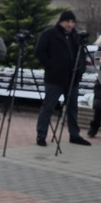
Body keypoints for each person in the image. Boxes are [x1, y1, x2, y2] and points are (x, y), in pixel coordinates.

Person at [34, 10, 90, 147]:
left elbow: (82, 55)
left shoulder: (76, 36)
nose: (70, 25)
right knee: (48, 107)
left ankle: (74, 135)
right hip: (55, 79)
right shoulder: (49, 34)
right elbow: (39, 52)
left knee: (72, 108)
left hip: (72, 79)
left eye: (72, 22)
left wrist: (80, 70)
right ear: (61, 21)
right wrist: (51, 66)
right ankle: (41, 135)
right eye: (67, 22)